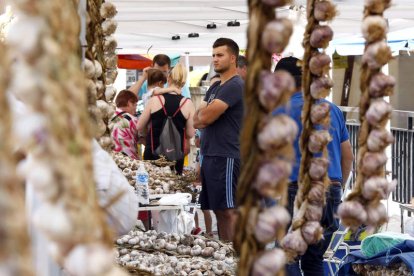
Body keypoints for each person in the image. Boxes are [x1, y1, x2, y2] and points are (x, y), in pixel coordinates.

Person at [272, 57, 354, 275]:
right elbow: (348, 156)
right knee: (314, 259)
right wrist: (338, 187)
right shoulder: (333, 110)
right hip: (330, 189)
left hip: (297, 190)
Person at [194, 37, 244, 242]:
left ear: (233, 58)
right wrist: (203, 116)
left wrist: (204, 115)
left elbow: (203, 117)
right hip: (211, 155)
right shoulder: (216, 87)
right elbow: (196, 120)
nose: (215, 59)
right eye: (213, 55)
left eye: (220, 55)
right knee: (218, 210)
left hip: (227, 155)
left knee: (228, 210)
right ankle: (226, 251)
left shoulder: (234, 85)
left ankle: (234, 258)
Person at [137, 63, 195, 175]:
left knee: (152, 187)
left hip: (152, 153)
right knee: (174, 189)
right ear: (183, 82)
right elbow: (190, 133)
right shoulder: (188, 104)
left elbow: (139, 126)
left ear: (168, 78)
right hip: (175, 156)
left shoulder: (154, 100)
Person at [109, 89, 141, 160]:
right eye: (135, 105)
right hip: (129, 160)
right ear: (129, 103)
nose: (135, 109)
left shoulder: (109, 117)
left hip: (112, 158)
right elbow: (143, 137)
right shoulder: (132, 119)